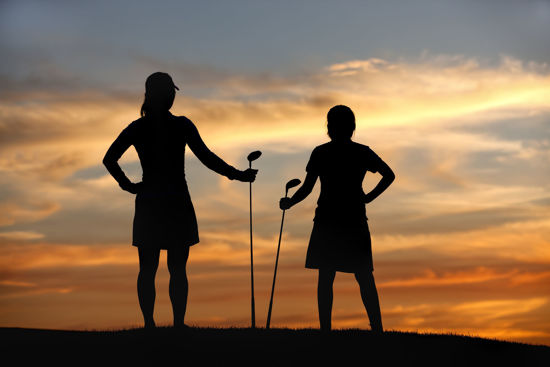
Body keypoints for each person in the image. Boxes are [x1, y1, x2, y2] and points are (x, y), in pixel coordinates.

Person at [103, 72, 257, 329]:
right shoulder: (181, 125)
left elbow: (109, 159)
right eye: (171, 92)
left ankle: (150, 325)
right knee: (176, 268)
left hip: (150, 198)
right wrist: (237, 175)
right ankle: (177, 324)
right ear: (168, 96)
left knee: (148, 268)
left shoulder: (138, 127)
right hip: (175, 199)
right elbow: (207, 158)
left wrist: (129, 185)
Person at [279, 105, 394, 332]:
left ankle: (326, 331)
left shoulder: (321, 152)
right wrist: (368, 198)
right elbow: (388, 175)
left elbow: (308, 188)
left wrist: (291, 202)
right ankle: (377, 330)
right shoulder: (361, 152)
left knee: (327, 275)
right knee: (362, 275)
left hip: (329, 218)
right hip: (352, 218)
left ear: (330, 127)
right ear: (352, 127)